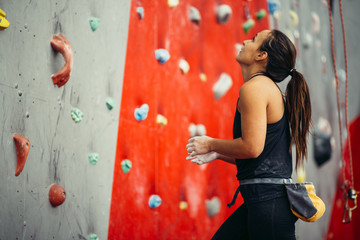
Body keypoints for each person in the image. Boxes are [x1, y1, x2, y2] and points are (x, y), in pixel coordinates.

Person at [186, 29, 312, 240]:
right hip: (262, 202)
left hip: (268, 206)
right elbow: (262, 158)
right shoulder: (263, 88)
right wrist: (218, 154)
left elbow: (252, 148)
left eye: (253, 40)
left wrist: (211, 145)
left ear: (261, 56)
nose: (245, 41)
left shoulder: (255, 88)